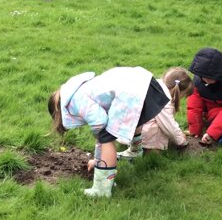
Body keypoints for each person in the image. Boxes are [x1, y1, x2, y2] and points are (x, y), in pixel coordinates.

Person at [48, 67, 169, 198]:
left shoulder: (76, 101)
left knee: (105, 137)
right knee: (130, 118)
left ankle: (102, 189)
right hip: (144, 84)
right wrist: (97, 160)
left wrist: (99, 154)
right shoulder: (81, 90)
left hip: (131, 93)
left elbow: (100, 123)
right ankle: (135, 151)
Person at [117, 67, 193, 159]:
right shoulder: (163, 100)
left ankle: (133, 145)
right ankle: (147, 149)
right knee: (159, 126)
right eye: (183, 95)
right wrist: (181, 140)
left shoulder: (154, 86)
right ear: (178, 91)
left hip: (124, 128)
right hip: (140, 133)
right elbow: (169, 126)